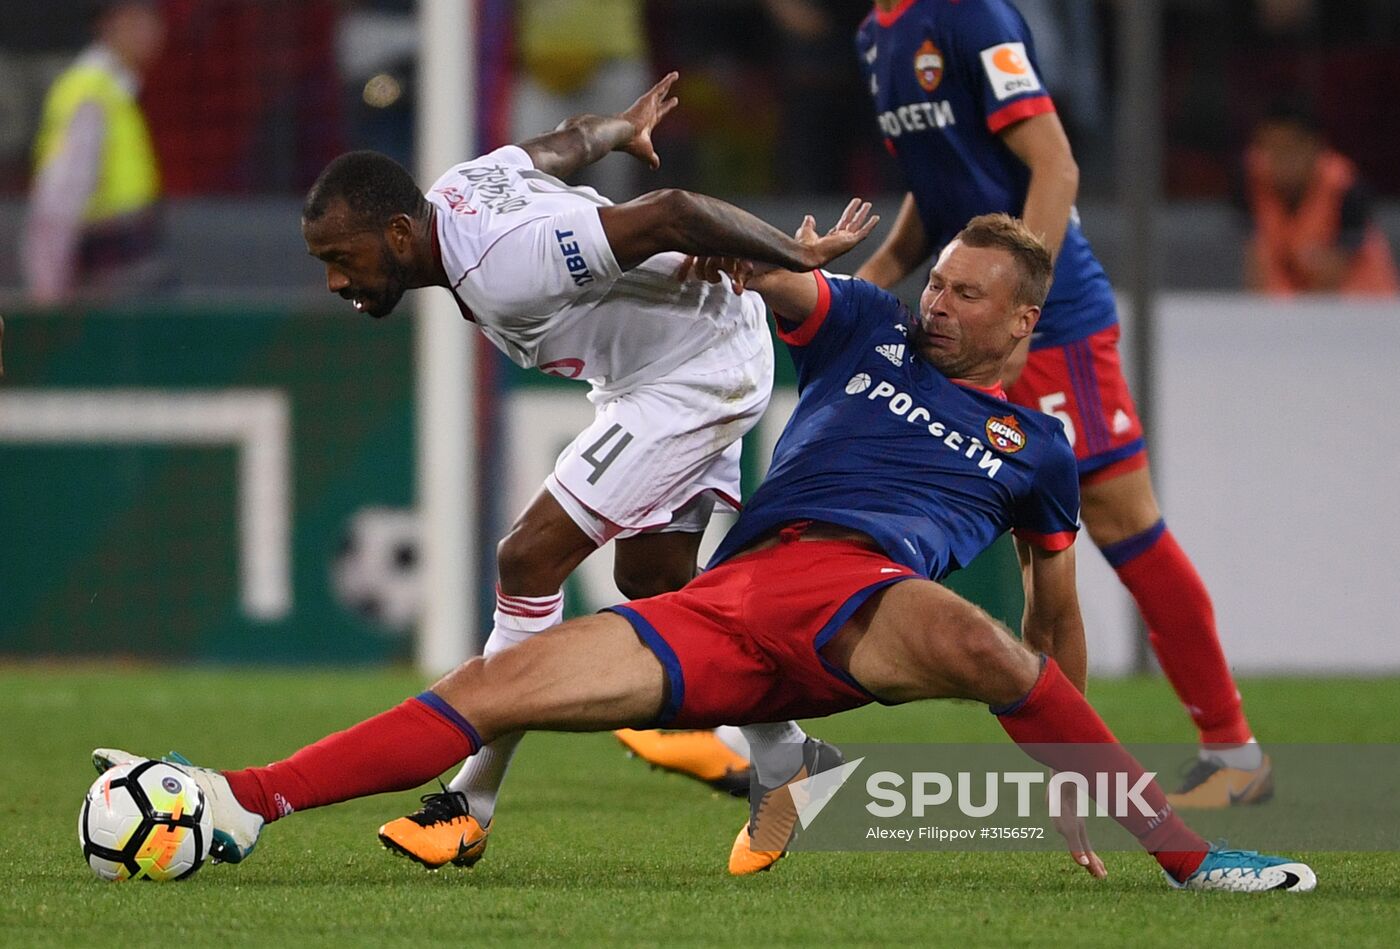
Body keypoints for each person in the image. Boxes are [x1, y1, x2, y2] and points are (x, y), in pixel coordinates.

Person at [92, 214, 1315, 893]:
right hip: (735, 601)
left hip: (864, 603)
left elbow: (1053, 621)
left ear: (1019, 320)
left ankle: (1188, 859)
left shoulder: (1034, 446)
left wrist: (1076, 776)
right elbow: (787, 289)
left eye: (963, 293)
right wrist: (742, 254)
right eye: (935, 279)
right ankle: (236, 804)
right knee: (490, 687)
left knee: (979, 641)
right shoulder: (872, 335)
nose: (935, 301)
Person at [297, 73, 872, 871]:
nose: (335, 280)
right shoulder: (458, 187)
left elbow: (670, 211)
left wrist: (791, 256)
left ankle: (469, 802)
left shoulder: (506, 267)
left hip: (693, 370)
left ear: (398, 232)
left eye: (338, 257)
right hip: (666, 361)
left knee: (526, 558)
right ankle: (791, 757)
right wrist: (618, 129)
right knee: (658, 582)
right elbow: (557, 146)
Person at [852, 0, 1272, 808]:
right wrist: (856, 288)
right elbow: (936, 191)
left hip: (1052, 323)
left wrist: (1024, 315)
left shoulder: (971, 14)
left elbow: (1056, 166)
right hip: (983, 325)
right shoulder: (875, 34)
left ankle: (1232, 749)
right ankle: (1068, 768)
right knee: (1020, 545)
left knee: (1122, 522)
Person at [22, 0, 169, 305]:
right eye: (137, 20)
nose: (152, 32)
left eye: (153, 20)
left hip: (131, 269)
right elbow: (57, 203)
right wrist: (48, 296)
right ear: (109, 24)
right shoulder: (90, 93)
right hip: (106, 284)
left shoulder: (117, 89)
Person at [1243, 100, 1399, 296]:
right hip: (1292, 307)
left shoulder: (1345, 187)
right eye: (1270, 148)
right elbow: (1255, 261)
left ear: (1315, 146)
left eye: (1289, 149)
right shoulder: (1252, 180)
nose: (1279, 160)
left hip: (1363, 303)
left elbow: (1334, 273)